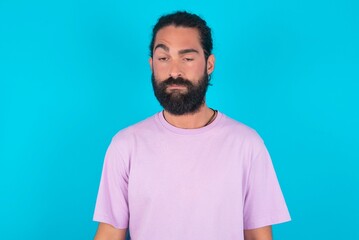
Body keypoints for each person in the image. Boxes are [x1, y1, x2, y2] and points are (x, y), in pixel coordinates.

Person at [93, 11, 291, 240]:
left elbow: (259, 236)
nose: (174, 71)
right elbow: (109, 233)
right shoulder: (125, 145)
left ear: (209, 64)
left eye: (187, 58)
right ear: (151, 65)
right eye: (163, 58)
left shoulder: (247, 145)